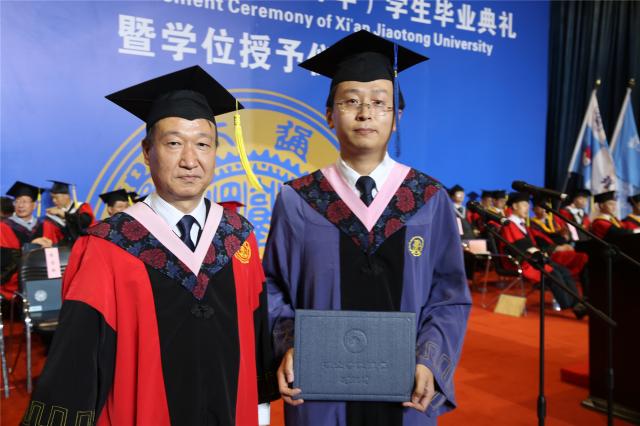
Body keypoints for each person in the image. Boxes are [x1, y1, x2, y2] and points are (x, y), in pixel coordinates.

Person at [22, 66, 278, 426]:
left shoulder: (238, 237)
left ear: (216, 152)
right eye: (173, 143)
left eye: (203, 144)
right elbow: (76, 361)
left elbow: (256, 333)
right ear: (147, 151)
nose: (190, 160)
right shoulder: (108, 245)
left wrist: (261, 409)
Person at [264, 30, 471, 426]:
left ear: (396, 118)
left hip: (406, 389)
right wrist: (289, 344)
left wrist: (429, 360)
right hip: (320, 386)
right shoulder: (298, 199)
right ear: (329, 115)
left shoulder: (428, 198)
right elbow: (273, 286)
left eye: (379, 102)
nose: (365, 113)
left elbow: (449, 295)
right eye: (351, 101)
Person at [499, 192, 587, 318]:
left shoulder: (521, 224)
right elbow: (517, 246)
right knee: (553, 273)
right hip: (520, 261)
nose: (527, 208)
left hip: (532, 259)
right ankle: (573, 306)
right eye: (524, 205)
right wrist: (538, 252)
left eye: (528, 205)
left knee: (564, 271)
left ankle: (577, 303)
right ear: (514, 206)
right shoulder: (509, 224)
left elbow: (531, 243)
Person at [1, 181, 61, 298]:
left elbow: (55, 260)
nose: (20, 205)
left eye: (24, 201)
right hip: (15, 285)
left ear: (35, 205)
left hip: (43, 281)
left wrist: (52, 249)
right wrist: (29, 247)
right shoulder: (3, 227)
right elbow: (3, 259)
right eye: (17, 201)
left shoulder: (47, 226)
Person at [529, 197, 588, 280]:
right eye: (540, 207)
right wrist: (557, 248)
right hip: (551, 252)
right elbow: (539, 241)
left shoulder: (554, 219)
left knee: (583, 257)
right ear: (534, 210)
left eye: (545, 207)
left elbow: (566, 233)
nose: (544, 210)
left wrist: (566, 236)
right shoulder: (532, 224)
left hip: (565, 247)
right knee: (581, 257)